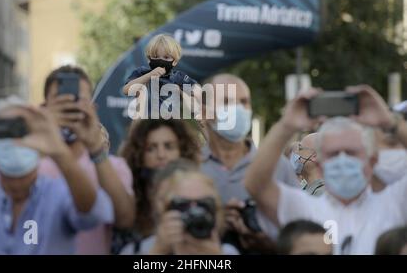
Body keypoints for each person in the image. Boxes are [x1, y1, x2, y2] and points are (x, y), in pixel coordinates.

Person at [244, 85, 407, 254]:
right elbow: (255, 184)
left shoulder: (393, 203)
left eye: (351, 153)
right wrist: (286, 125)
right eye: (334, 154)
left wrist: (390, 121)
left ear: (372, 161)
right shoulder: (301, 207)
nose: (342, 160)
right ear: (320, 166)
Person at [0, 97, 114, 254]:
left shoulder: (59, 195)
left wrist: (59, 151)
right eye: (4, 132)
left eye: (22, 130)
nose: (14, 141)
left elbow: (94, 214)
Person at [199, 73, 298, 254]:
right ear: (204, 112)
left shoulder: (277, 166)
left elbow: (302, 233)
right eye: (226, 102)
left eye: (244, 101)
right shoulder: (189, 167)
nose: (237, 109)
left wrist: (269, 244)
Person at [40, 65, 135, 254]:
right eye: (60, 100)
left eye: (78, 100)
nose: (69, 105)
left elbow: (125, 220)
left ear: (93, 108)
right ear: (44, 108)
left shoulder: (112, 167)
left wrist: (95, 149)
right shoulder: (25, 162)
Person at [114, 119, 201, 253]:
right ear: (139, 156)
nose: (161, 155)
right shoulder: (128, 208)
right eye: (151, 148)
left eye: (169, 146)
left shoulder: (199, 199)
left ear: (182, 151)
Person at [121, 160, 238, 255]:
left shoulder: (227, 252)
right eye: (184, 205)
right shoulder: (136, 251)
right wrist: (158, 251)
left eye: (203, 204)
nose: (195, 212)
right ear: (165, 208)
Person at [123, 33, 200, 117]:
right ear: (149, 59)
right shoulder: (142, 72)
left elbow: (197, 90)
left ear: (174, 61)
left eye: (166, 57)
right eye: (156, 56)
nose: (160, 60)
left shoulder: (178, 77)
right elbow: (126, 90)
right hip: (146, 121)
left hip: (169, 121)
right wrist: (149, 75)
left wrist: (186, 94)